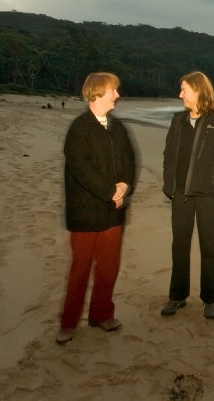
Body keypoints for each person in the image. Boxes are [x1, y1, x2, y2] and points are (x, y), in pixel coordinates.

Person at [56, 72, 136, 345]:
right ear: (98, 92)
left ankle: (101, 315)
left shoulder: (118, 128)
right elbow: (81, 169)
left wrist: (124, 186)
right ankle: (68, 323)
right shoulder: (79, 128)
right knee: (80, 270)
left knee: (108, 269)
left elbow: (129, 161)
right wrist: (109, 193)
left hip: (113, 212)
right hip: (86, 212)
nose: (117, 95)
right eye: (114, 90)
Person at [161, 71, 214, 320]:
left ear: (199, 91)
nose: (180, 94)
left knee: (209, 247)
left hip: (207, 195)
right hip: (180, 193)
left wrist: (213, 179)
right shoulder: (178, 121)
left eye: (184, 90)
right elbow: (169, 155)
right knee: (179, 245)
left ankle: (210, 299)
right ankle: (177, 296)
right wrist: (169, 185)